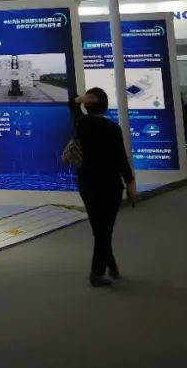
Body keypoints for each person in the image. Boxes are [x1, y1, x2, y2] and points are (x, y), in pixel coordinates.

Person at [74, 87, 138, 287]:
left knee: (99, 229)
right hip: (110, 185)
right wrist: (130, 183)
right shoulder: (113, 128)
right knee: (104, 230)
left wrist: (83, 99)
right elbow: (121, 159)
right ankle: (97, 272)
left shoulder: (81, 124)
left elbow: (72, 103)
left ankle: (111, 265)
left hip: (87, 184)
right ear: (106, 105)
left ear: (87, 105)